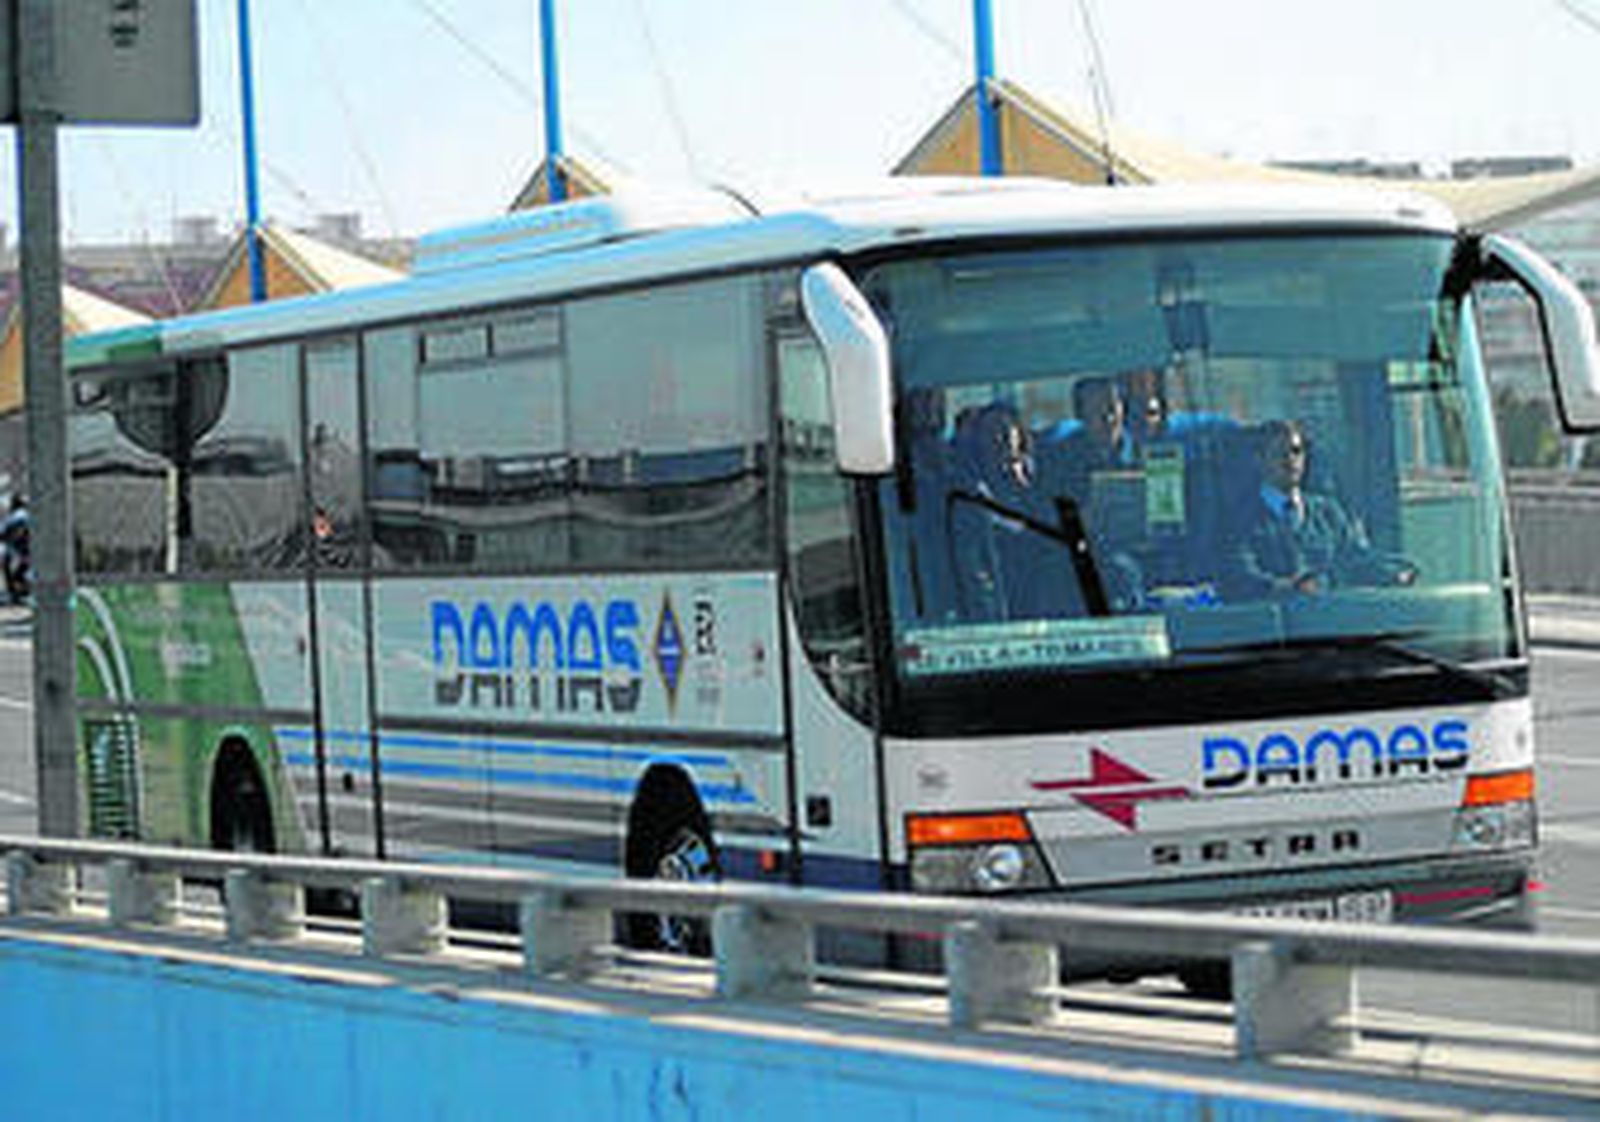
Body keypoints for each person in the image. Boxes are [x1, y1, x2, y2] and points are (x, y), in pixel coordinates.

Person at [1221, 419, 1416, 599]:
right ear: (1259, 458)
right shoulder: (1239, 518)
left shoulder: (1328, 512)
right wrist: (1287, 588)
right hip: (1274, 628)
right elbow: (1240, 576)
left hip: (1333, 623)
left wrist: (1392, 575)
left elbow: (1355, 559)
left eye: (1297, 451)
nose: (1290, 460)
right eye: (1280, 453)